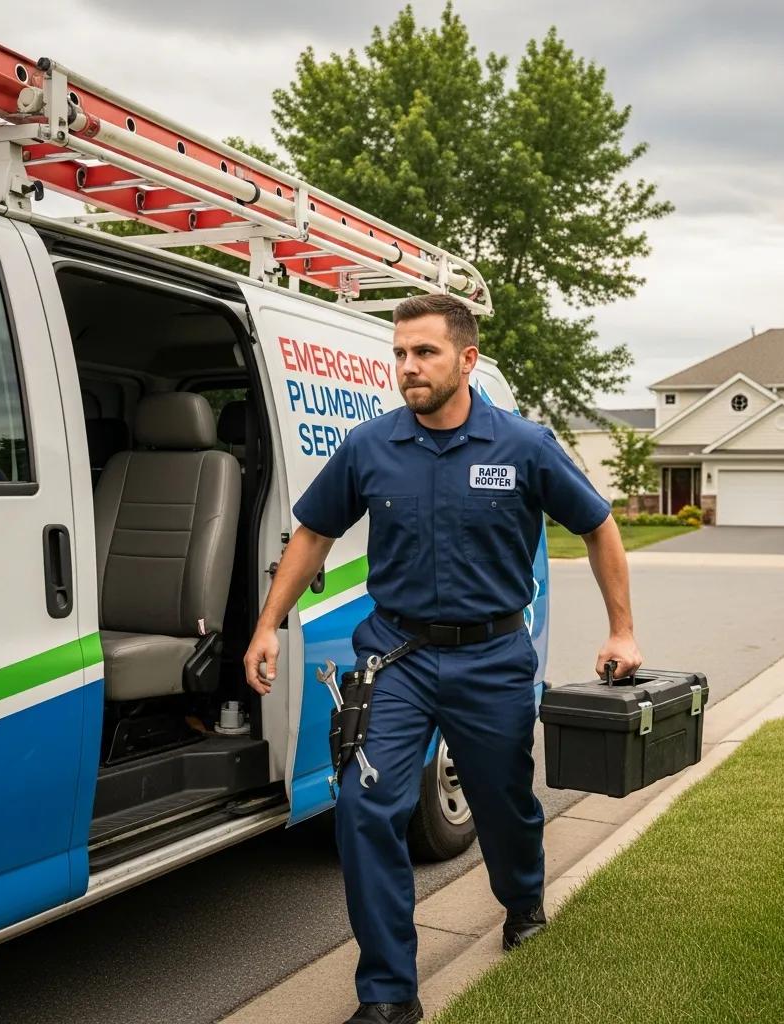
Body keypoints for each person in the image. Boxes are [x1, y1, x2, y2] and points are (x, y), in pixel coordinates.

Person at [244, 294, 642, 1024]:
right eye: (399, 353)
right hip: (395, 658)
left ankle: (522, 899)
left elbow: (598, 525)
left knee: (503, 802)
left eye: (424, 352)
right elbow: (312, 534)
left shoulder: (523, 444)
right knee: (365, 808)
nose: (408, 367)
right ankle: (389, 993)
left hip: (492, 658)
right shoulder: (370, 446)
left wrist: (622, 630)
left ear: (467, 359)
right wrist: (269, 624)